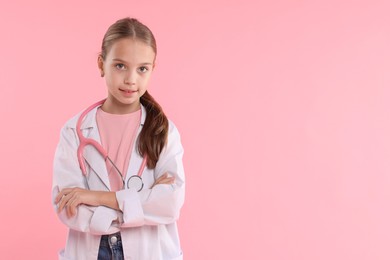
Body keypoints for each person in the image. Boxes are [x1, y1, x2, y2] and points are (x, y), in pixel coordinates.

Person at [52, 17, 185, 260]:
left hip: (149, 251)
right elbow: (69, 209)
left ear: (153, 69)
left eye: (142, 68)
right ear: (102, 64)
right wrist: (139, 206)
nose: (131, 79)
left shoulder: (163, 131)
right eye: (120, 66)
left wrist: (93, 197)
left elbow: (170, 204)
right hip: (92, 251)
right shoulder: (74, 132)